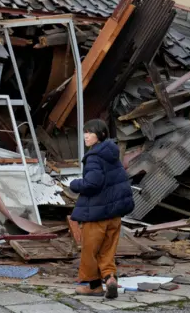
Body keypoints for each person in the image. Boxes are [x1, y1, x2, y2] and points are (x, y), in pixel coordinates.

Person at [69, 119, 135, 299]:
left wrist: (74, 184)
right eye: (85, 132)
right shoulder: (112, 154)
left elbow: (93, 183)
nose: (86, 136)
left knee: (90, 251)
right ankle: (109, 277)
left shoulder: (94, 157)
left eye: (90, 132)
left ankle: (93, 287)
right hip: (114, 215)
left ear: (100, 135)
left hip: (97, 214)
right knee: (107, 250)